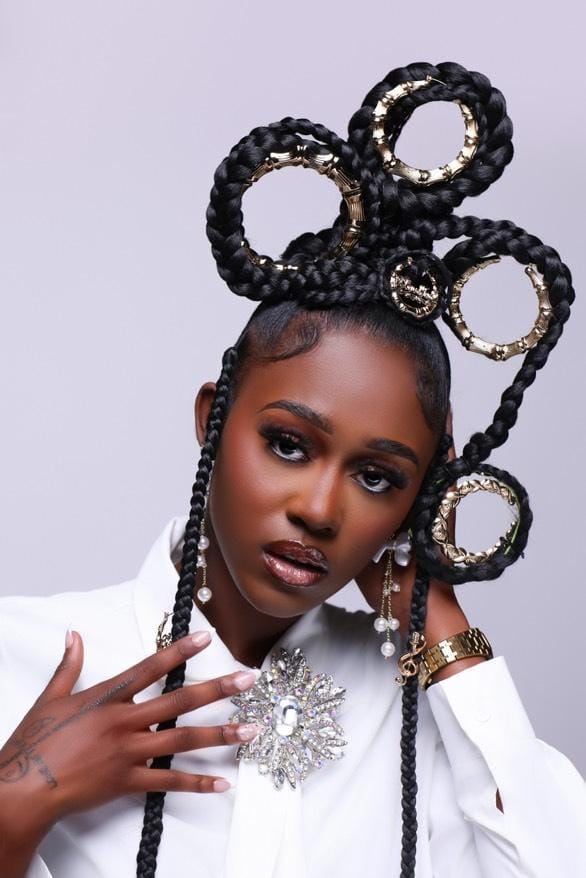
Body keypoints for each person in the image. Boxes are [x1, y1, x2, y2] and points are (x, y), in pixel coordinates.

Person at [0, 60, 584, 878]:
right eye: (288, 443)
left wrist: (442, 630)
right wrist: (16, 806)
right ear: (212, 420)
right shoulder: (19, 657)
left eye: (379, 478)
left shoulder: (427, 711)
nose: (318, 507)